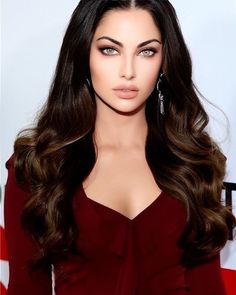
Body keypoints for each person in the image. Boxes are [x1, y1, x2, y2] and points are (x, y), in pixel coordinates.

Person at [4, 0, 236, 294]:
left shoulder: (194, 162)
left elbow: (208, 288)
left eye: (146, 51)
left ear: (165, 60)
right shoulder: (38, 166)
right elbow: (26, 289)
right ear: (83, 53)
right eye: (110, 50)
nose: (128, 71)